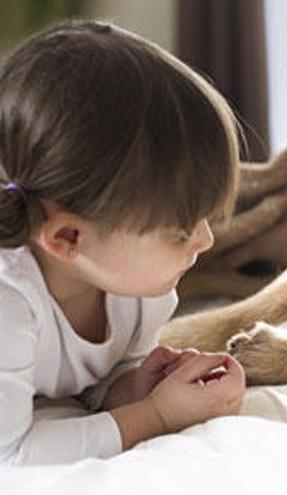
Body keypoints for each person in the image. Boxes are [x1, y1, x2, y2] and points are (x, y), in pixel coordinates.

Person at [0, 20, 246, 465]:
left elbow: (88, 387)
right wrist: (155, 415)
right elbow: (10, 455)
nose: (206, 241)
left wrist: (134, 385)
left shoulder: (141, 293)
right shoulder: (9, 305)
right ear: (68, 238)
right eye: (179, 232)